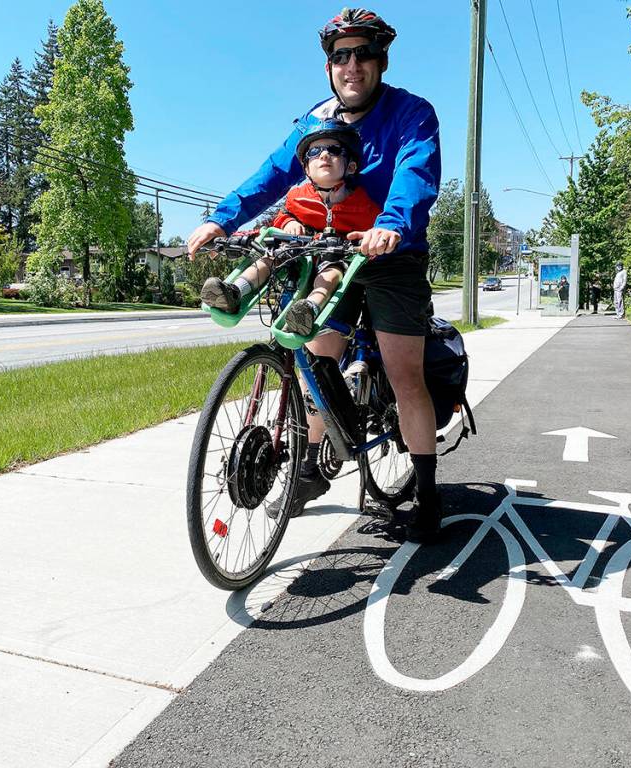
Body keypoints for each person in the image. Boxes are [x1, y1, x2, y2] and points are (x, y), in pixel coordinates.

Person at [186, 8, 443, 543]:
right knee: (313, 356)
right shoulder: (316, 120)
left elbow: (415, 176)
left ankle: (427, 490)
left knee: (404, 375)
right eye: (340, 55)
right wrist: (218, 218)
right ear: (329, 65)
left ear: (381, 59)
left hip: (390, 256)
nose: (351, 65)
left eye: (362, 53)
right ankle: (310, 467)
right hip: (330, 255)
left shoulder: (412, 114)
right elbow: (271, 176)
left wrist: (391, 226)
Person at [199, 119, 380, 336]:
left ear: (351, 166)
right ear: (305, 168)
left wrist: (369, 242)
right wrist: (289, 222)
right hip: (297, 255)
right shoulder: (298, 197)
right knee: (269, 258)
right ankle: (234, 292)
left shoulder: (364, 205)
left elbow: (376, 233)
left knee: (331, 273)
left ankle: (308, 311)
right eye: (314, 151)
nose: (323, 155)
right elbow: (283, 216)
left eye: (334, 150)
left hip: (335, 257)